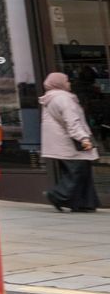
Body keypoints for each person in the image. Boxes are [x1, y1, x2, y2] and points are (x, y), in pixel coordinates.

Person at [42, 71, 100, 212]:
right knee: (78, 172)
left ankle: (83, 203)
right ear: (59, 83)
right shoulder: (64, 99)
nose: (69, 83)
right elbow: (72, 122)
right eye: (66, 81)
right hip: (70, 144)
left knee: (80, 172)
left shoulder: (50, 98)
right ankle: (57, 195)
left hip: (61, 144)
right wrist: (83, 138)